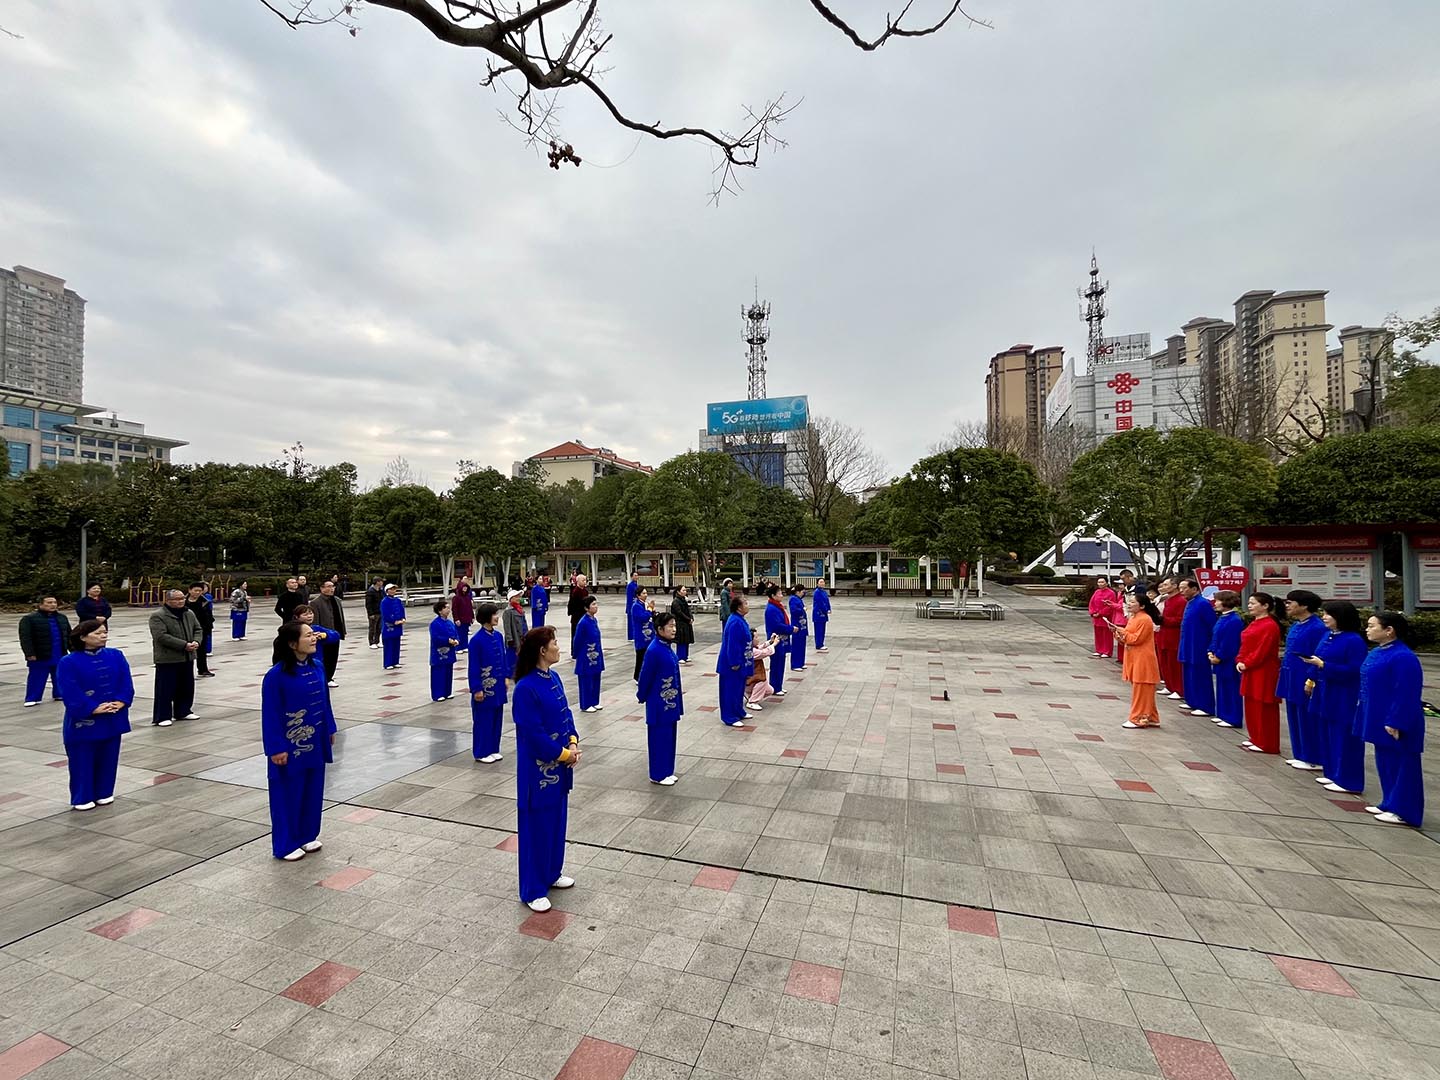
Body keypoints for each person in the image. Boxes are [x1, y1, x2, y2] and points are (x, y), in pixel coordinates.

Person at [510, 626, 580, 911]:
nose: (558, 647)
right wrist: (565, 755)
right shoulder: (525, 688)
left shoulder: (555, 678)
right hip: (538, 773)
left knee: (555, 824)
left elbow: (566, 714)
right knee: (536, 829)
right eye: (554, 643)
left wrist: (573, 741)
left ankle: (552, 873)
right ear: (542, 650)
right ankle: (532, 888)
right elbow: (533, 735)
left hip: (561, 767)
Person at [262, 621, 336, 861]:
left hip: (315, 740)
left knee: (312, 789)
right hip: (290, 745)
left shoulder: (317, 667)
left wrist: (330, 728)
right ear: (293, 643)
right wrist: (276, 747)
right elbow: (270, 713)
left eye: (313, 634)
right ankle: (284, 844)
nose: (314, 638)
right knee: (287, 792)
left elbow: (325, 702)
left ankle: (306, 834)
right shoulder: (277, 676)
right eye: (308, 635)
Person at [55, 619, 133, 811]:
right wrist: (92, 708)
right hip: (85, 719)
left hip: (113, 715)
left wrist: (121, 701)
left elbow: (126, 681)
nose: (103, 636)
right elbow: (69, 690)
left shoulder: (116, 655)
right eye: (97, 633)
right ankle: (82, 797)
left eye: (104, 632)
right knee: (82, 759)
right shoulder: (68, 661)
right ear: (83, 637)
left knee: (109, 756)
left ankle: (104, 792)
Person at [1357, 613, 1424, 826]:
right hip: (1376, 714)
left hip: (1398, 719)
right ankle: (1389, 802)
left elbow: (1406, 692)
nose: (1367, 630)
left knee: (1403, 764)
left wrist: (1397, 720)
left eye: (1372, 626)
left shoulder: (1403, 657)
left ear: (1389, 630)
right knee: (1385, 762)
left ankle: (1405, 810)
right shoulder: (1378, 651)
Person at [1303, 601, 1368, 796]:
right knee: (1327, 731)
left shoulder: (1353, 640)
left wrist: (1324, 665)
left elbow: (1355, 670)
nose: (1324, 617)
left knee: (1344, 735)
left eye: (1328, 614)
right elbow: (1318, 658)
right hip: (1324, 689)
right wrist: (1312, 676)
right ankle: (1332, 772)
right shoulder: (1328, 635)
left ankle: (1349, 779)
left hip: (1344, 693)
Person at [1280, 590, 1328, 771]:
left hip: (1305, 676)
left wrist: (1312, 678)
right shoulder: (1297, 624)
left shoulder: (1317, 627)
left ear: (1304, 605)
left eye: (1290, 602)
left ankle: (1313, 756)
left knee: (1307, 716)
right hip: (1291, 674)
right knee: (1294, 714)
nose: (1287, 605)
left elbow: (1319, 654)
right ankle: (1300, 753)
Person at [637, 611, 684, 785]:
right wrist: (642, 695)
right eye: (670, 626)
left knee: (669, 737)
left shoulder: (666, 647)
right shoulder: (654, 650)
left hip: (670, 702)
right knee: (659, 738)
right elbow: (645, 675)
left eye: (674, 625)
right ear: (659, 629)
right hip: (658, 703)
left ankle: (667, 770)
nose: (674, 629)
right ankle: (657, 774)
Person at [1236, 592, 1283, 754]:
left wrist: (1246, 663)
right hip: (1250, 668)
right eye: (1249, 603)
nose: (1250, 606)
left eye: (1253, 603)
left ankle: (1268, 742)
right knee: (1251, 703)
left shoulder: (1269, 625)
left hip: (1263, 669)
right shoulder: (1255, 622)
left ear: (1265, 606)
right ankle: (1256, 737)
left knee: (1264, 705)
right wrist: (1240, 660)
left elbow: (1262, 650)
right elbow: (1246, 644)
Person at [149, 589, 202, 727]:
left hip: (187, 656)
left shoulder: (188, 613)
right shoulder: (158, 616)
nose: (180, 601)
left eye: (182, 598)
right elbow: (161, 636)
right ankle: (162, 716)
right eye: (176, 599)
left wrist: (197, 641)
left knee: (186, 686)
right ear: (167, 600)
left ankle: (183, 711)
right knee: (165, 688)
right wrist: (184, 645)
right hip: (168, 658)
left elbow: (198, 629)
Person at [1114, 593, 1162, 729]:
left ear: (1142, 606)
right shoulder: (1134, 617)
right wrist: (1118, 633)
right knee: (1143, 690)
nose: (1129, 604)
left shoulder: (1145, 619)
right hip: (1135, 657)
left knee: (1142, 690)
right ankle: (1151, 717)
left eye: (1133, 602)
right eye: (1129, 601)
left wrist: (1122, 632)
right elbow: (1128, 637)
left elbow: (1136, 639)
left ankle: (1138, 718)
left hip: (1143, 659)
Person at [468, 602, 507, 762]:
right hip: (484, 686)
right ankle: (481, 752)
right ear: (486, 618)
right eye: (494, 614)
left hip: (498, 685)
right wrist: (477, 688)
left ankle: (493, 748)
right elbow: (473, 667)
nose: (497, 617)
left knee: (496, 718)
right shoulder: (476, 640)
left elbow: (503, 659)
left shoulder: (498, 636)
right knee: (483, 720)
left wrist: (505, 677)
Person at [19, 596, 72, 707]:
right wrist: (29, 653)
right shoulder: (29, 619)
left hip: (59, 652)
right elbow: (25, 638)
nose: (53, 605)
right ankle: (33, 697)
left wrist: (74, 650)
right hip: (40, 654)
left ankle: (59, 694)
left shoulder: (62, 618)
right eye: (49, 602)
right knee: (37, 676)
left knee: (59, 675)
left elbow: (69, 635)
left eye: (54, 602)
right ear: (41, 604)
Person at [1177, 578, 1217, 717]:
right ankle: (1192, 700)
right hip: (1188, 644)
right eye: (1180, 588)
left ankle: (1205, 705)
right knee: (1188, 673)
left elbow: (1212, 625)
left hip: (1199, 645)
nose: (1181, 591)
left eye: (1184, 588)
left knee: (1201, 675)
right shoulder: (1190, 603)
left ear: (1194, 589)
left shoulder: (1203, 604)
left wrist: (1211, 646)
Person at [1206, 591, 1244, 729]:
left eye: (1218, 601)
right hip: (1218, 657)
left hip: (1227, 660)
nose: (1215, 603)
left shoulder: (1234, 620)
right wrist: (1210, 651)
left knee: (1231, 688)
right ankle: (1222, 714)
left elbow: (1230, 642)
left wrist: (1219, 656)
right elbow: (1215, 637)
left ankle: (1233, 717)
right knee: (1222, 686)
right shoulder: (1223, 618)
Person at [718, 594, 754, 727]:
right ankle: (729, 716)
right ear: (739, 607)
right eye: (745, 603)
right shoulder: (734, 622)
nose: (747, 605)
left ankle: (739, 711)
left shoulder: (741, 619)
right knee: (730, 690)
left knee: (739, 689)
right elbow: (732, 644)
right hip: (732, 664)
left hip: (742, 661)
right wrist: (734, 662)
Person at [308, 579, 347, 687]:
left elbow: (340, 617)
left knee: (333, 657)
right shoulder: (315, 602)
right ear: (322, 588)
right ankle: (324, 677)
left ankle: (329, 677)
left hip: (335, 633)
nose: (331, 589)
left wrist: (343, 630)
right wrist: (316, 633)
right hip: (323, 634)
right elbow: (315, 621)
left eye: (332, 586)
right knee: (325, 656)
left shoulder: (337, 600)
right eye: (328, 586)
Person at [573, 596, 605, 712]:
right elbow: (577, 640)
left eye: (596, 604)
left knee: (596, 677)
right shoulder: (583, 623)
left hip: (596, 653)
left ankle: (594, 701)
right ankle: (585, 704)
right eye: (593, 605)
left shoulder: (594, 620)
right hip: (585, 655)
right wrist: (576, 654)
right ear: (587, 608)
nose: (596, 607)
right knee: (586, 679)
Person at [1156, 577, 1186, 698]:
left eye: (1166, 584)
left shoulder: (1181, 601)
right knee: (1165, 662)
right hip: (1164, 633)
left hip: (1174, 635)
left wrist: (1163, 620)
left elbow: (1179, 620)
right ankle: (1169, 686)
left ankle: (1178, 689)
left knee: (1174, 663)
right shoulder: (1168, 600)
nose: (1163, 587)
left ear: (1174, 586)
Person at [763, 584, 792, 696]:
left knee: (781, 663)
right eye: (779, 593)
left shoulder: (777, 606)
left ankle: (778, 686)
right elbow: (776, 626)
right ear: (773, 595)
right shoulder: (771, 609)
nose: (781, 595)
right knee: (776, 664)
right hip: (776, 640)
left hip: (782, 639)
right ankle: (774, 687)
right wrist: (790, 629)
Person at [428, 600, 460, 701]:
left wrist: (456, 640)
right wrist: (447, 640)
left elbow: (455, 634)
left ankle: (447, 692)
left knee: (448, 672)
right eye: (446, 607)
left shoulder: (450, 623)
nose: (448, 609)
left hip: (450, 651)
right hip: (439, 653)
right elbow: (435, 637)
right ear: (440, 610)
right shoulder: (435, 623)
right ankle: (437, 694)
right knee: (438, 673)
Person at [747, 629, 782, 712]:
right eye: (756, 637)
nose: (758, 639)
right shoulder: (751, 651)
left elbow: (761, 647)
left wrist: (770, 641)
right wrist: (774, 644)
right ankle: (752, 701)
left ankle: (751, 695)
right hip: (752, 676)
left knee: (769, 690)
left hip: (754, 676)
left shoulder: (753, 648)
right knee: (762, 681)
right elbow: (764, 652)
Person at [186, 583, 216, 678]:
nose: (198, 593)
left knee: (201, 651)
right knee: (186, 651)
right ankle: (186, 672)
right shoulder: (183, 602)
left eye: (200, 591)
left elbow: (209, 616)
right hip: (186, 628)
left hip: (201, 628)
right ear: (190, 590)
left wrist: (208, 626)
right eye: (195, 590)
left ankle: (203, 669)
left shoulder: (205, 602)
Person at [1087, 576, 1120, 659]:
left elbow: (1110, 605)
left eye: (1102, 582)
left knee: (1107, 635)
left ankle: (1107, 651)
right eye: (1099, 582)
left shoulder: (1111, 593)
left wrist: (1101, 613)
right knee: (1098, 634)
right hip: (1096, 618)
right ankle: (1099, 650)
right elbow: (1091, 603)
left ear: (1107, 583)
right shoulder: (1096, 592)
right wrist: (1093, 612)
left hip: (1106, 617)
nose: (1100, 584)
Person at [630, 587, 655, 681]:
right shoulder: (636, 606)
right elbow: (642, 618)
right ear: (638, 595)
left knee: (648, 657)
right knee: (640, 658)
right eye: (643, 593)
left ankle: (646, 675)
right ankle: (637, 676)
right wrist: (649, 610)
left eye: (646, 593)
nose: (646, 595)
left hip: (649, 634)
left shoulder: (644, 604)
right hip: (641, 635)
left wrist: (652, 611)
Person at [379, 583, 406, 670]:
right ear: (387, 591)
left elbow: (402, 610)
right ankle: (388, 663)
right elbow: (385, 614)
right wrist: (394, 621)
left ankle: (395, 661)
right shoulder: (384, 601)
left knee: (396, 644)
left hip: (398, 625)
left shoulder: (398, 600)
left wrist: (403, 618)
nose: (393, 591)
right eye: (391, 589)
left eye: (394, 589)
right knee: (389, 645)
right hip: (389, 627)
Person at [502, 589, 528, 678]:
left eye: (519, 596)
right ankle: (510, 674)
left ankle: (519, 672)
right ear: (510, 599)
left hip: (521, 636)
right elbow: (507, 627)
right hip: (513, 638)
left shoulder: (520, 609)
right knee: (511, 657)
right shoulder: (508, 611)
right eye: (516, 597)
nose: (518, 598)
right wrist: (510, 639)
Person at [670, 585, 695, 665]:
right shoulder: (676, 601)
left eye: (685, 590)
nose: (685, 592)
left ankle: (685, 656)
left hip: (686, 622)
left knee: (686, 639)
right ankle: (680, 656)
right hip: (680, 623)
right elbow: (679, 613)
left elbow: (688, 610)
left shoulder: (684, 600)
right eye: (683, 590)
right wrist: (688, 619)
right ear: (678, 592)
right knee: (681, 640)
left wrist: (691, 617)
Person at [566, 574, 591, 653]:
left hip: (584, 614)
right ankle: (574, 651)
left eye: (585, 580)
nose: (584, 582)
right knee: (575, 634)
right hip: (577, 616)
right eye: (583, 580)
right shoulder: (575, 591)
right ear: (578, 581)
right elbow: (572, 604)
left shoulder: (585, 591)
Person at [788, 585, 809, 671]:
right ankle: (795, 664)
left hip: (802, 626)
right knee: (797, 645)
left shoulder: (799, 599)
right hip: (797, 625)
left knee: (802, 645)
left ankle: (801, 662)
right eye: (802, 592)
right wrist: (802, 609)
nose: (803, 593)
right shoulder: (793, 599)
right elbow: (793, 611)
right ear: (798, 592)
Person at [452, 576, 475, 651]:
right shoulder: (456, 598)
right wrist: (456, 619)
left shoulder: (468, 597)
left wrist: (472, 617)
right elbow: (454, 609)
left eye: (466, 587)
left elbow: (470, 608)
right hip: (460, 619)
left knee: (465, 633)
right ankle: (458, 647)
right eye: (463, 587)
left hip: (467, 618)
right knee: (459, 633)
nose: (465, 589)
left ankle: (465, 646)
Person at [365, 576, 385, 650]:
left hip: (380, 612)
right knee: (372, 628)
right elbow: (368, 604)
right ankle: (372, 642)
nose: (382, 583)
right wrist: (370, 613)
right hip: (374, 612)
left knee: (379, 628)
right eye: (381, 581)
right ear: (377, 582)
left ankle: (377, 641)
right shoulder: (370, 591)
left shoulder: (380, 590)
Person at [812, 579, 832, 652]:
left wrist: (829, 608)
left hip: (824, 613)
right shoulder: (817, 592)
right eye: (820, 582)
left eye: (823, 582)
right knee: (819, 629)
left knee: (822, 629)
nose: (822, 583)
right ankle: (819, 644)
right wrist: (826, 610)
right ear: (817, 583)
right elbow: (820, 603)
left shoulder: (824, 592)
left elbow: (827, 601)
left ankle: (821, 643)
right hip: (818, 613)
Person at [625, 570, 640, 641]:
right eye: (635, 575)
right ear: (631, 577)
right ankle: (630, 636)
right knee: (630, 622)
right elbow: (629, 598)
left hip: (636, 604)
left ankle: (635, 635)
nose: (636, 577)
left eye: (637, 575)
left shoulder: (636, 585)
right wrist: (629, 608)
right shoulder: (630, 586)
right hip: (631, 605)